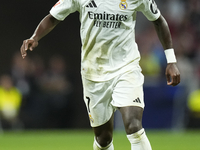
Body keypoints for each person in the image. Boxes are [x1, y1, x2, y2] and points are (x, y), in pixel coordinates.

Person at [20, 0, 180, 149]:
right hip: (93, 74)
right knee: (103, 138)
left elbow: (158, 20)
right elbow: (53, 17)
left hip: (126, 67)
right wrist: (35, 37)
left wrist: (171, 61)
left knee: (133, 126)